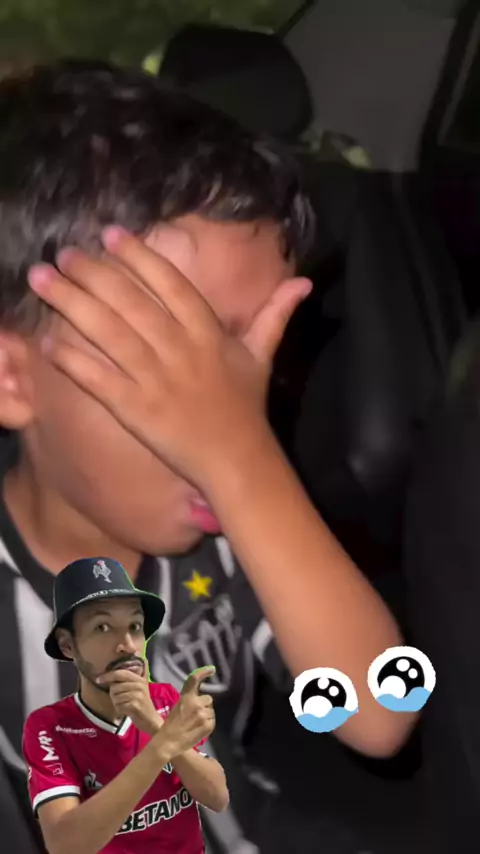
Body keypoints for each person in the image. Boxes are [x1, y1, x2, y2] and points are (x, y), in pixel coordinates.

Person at [0, 61, 417, 854]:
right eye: (174, 363)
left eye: (252, 360)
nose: (226, 416)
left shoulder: (222, 530)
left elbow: (378, 713)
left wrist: (248, 468)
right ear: (11, 377)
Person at [22, 556, 228, 854]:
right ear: (67, 645)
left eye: (134, 625)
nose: (129, 645)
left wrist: (156, 727)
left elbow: (217, 798)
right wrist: (162, 745)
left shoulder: (165, 698)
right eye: (103, 627)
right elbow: (65, 846)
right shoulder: (49, 727)